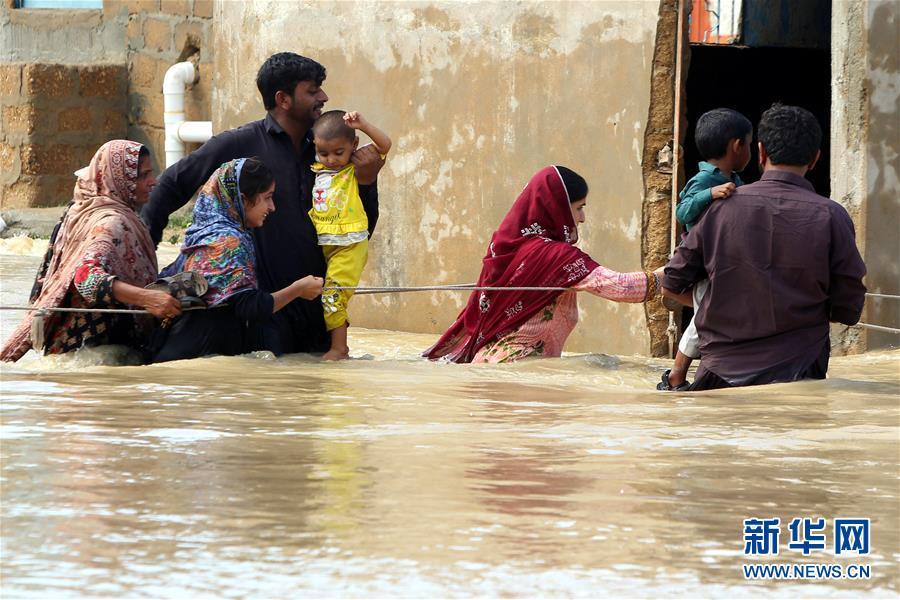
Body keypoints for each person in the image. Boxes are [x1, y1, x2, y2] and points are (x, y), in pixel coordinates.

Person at [141, 52, 384, 355]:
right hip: (264, 314)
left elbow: (360, 229)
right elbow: (170, 186)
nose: (323, 96)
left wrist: (367, 182)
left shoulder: (329, 151)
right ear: (283, 99)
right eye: (312, 90)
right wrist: (143, 267)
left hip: (316, 312)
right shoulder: (240, 144)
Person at [661, 104, 867, 390]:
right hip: (801, 373)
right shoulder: (831, 216)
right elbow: (848, 306)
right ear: (816, 158)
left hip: (719, 375)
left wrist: (715, 303)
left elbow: (671, 283)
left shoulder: (719, 209)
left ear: (761, 152)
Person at [424, 166, 659, 363]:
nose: (582, 218)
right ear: (556, 207)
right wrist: (669, 274)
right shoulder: (556, 256)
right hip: (516, 372)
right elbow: (621, 287)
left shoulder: (510, 247)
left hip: (492, 365)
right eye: (579, 208)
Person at [0, 140, 182, 362]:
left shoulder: (81, 211)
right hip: (95, 357)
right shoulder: (111, 223)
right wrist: (147, 298)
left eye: (151, 174)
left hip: (71, 356)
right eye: (142, 176)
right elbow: (86, 278)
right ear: (119, 180)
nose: (153, 182)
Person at [152, 158, 324, 362]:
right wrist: (298, 289)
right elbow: (250, 306)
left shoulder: (208, 234)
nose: (273, 207)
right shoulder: (227, 243)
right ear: (243, 199)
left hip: (193, 359)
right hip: (196, 361)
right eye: (267, 197)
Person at [658, 108, 752, 391]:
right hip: (703, 263)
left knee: (708, 314)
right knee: (703, 319)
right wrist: (709, 194)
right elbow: (682, 211)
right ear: (737, 146)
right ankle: (677, 373)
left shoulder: (736, 181)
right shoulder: (704, 181)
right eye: (748, 143)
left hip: (722, 260)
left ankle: (684, 374)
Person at [310, 110, 392, 360]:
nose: (332, 159)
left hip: (350, 244)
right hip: (325, 242)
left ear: (353, 145)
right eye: (324, 153)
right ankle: (336, 343)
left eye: (338, 152)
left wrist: (364, 124)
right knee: (332, 295)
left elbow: (385, 145)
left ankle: (339, 349)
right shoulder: (316, 169)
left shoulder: (353, 168)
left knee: (333, 294)